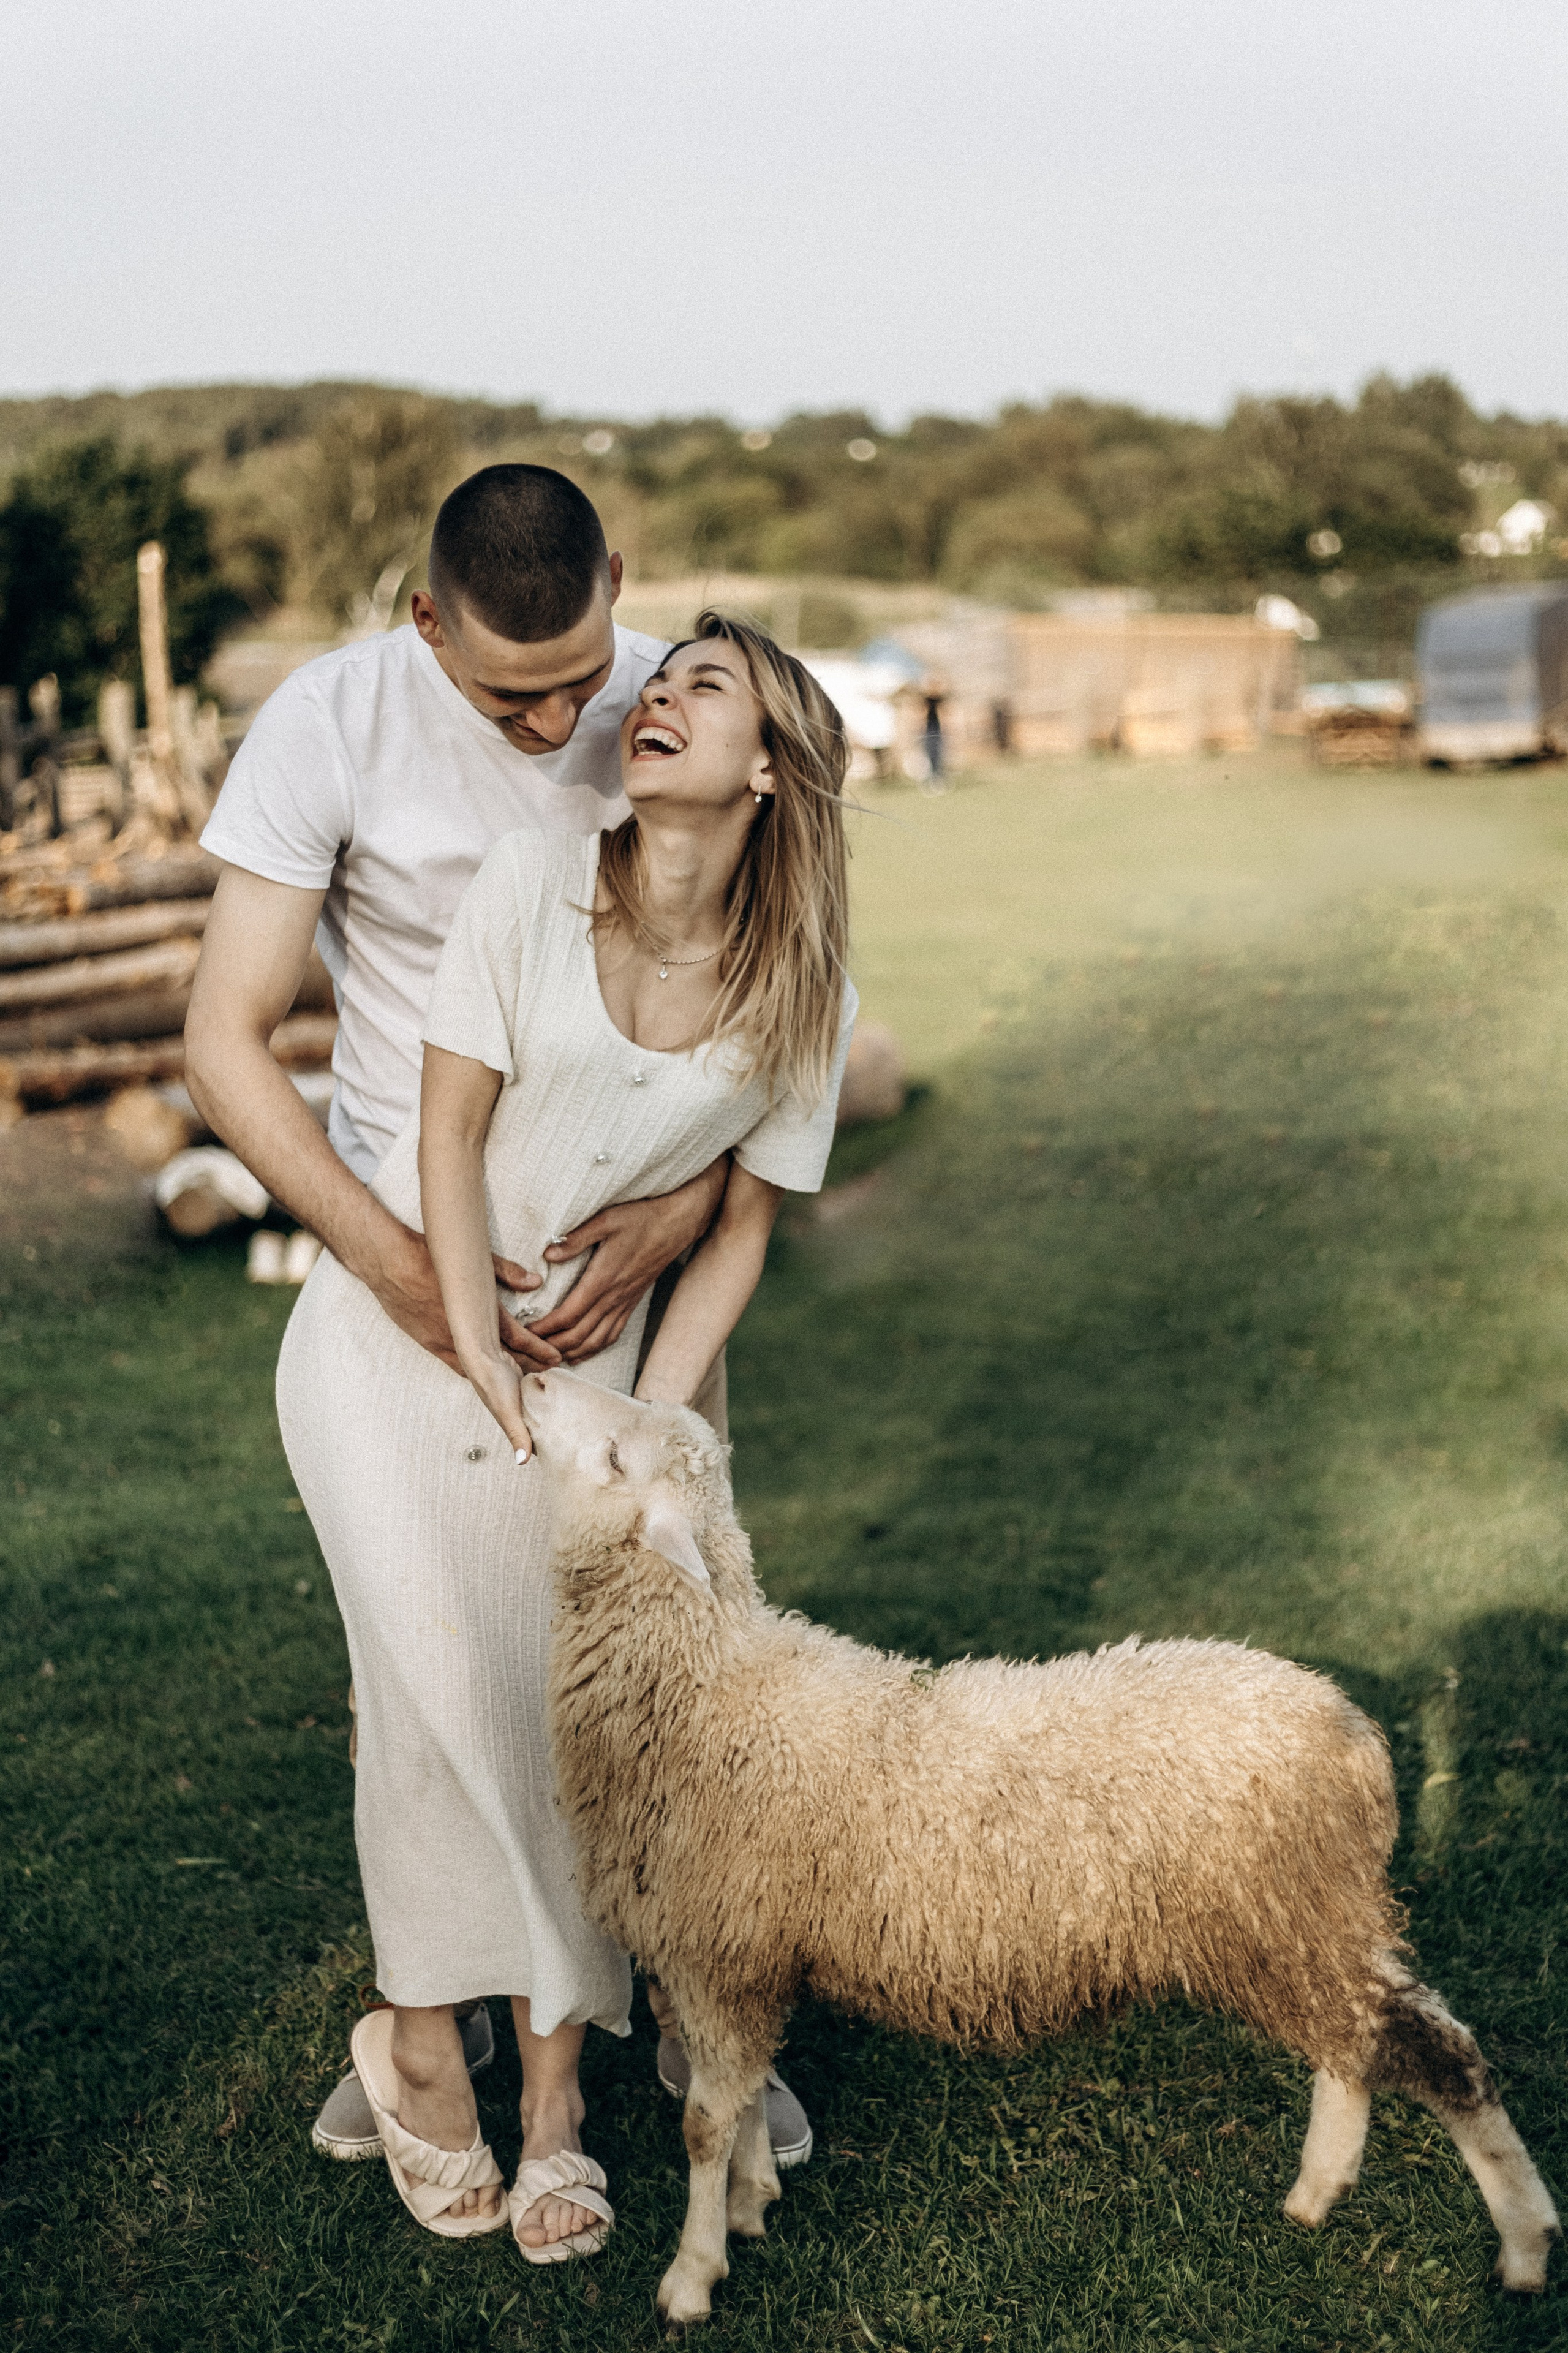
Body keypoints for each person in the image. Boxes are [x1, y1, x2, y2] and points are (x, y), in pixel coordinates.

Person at [184, 470, 812, 2186]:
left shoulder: (697, 698)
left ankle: (683, 2011)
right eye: (507, 694)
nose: (561, 723)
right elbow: (226, 1042)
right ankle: (429, 2022)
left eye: (582, 675)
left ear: (621, 579)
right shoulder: (328, 722)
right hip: (418, 1241)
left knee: (656, 1667)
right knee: (436, 1664)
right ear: (421, 624)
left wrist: (683, 1212)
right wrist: (394, 1262)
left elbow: (780, 978)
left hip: (632, 1276)